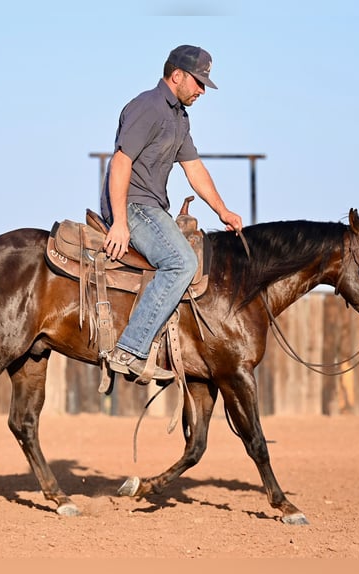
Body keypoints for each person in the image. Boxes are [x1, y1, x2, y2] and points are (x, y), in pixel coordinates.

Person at [100, 44, 244, 383]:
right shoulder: (148, 107)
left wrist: (222, 210)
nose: (201, 90)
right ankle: (130, 349)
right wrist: (120, 222)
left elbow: (194, 168)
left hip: (152, 206)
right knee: (182, 262)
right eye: (198, 82)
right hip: (134, 205)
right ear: (176, 75)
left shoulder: (178, 116)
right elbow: (120, 162)